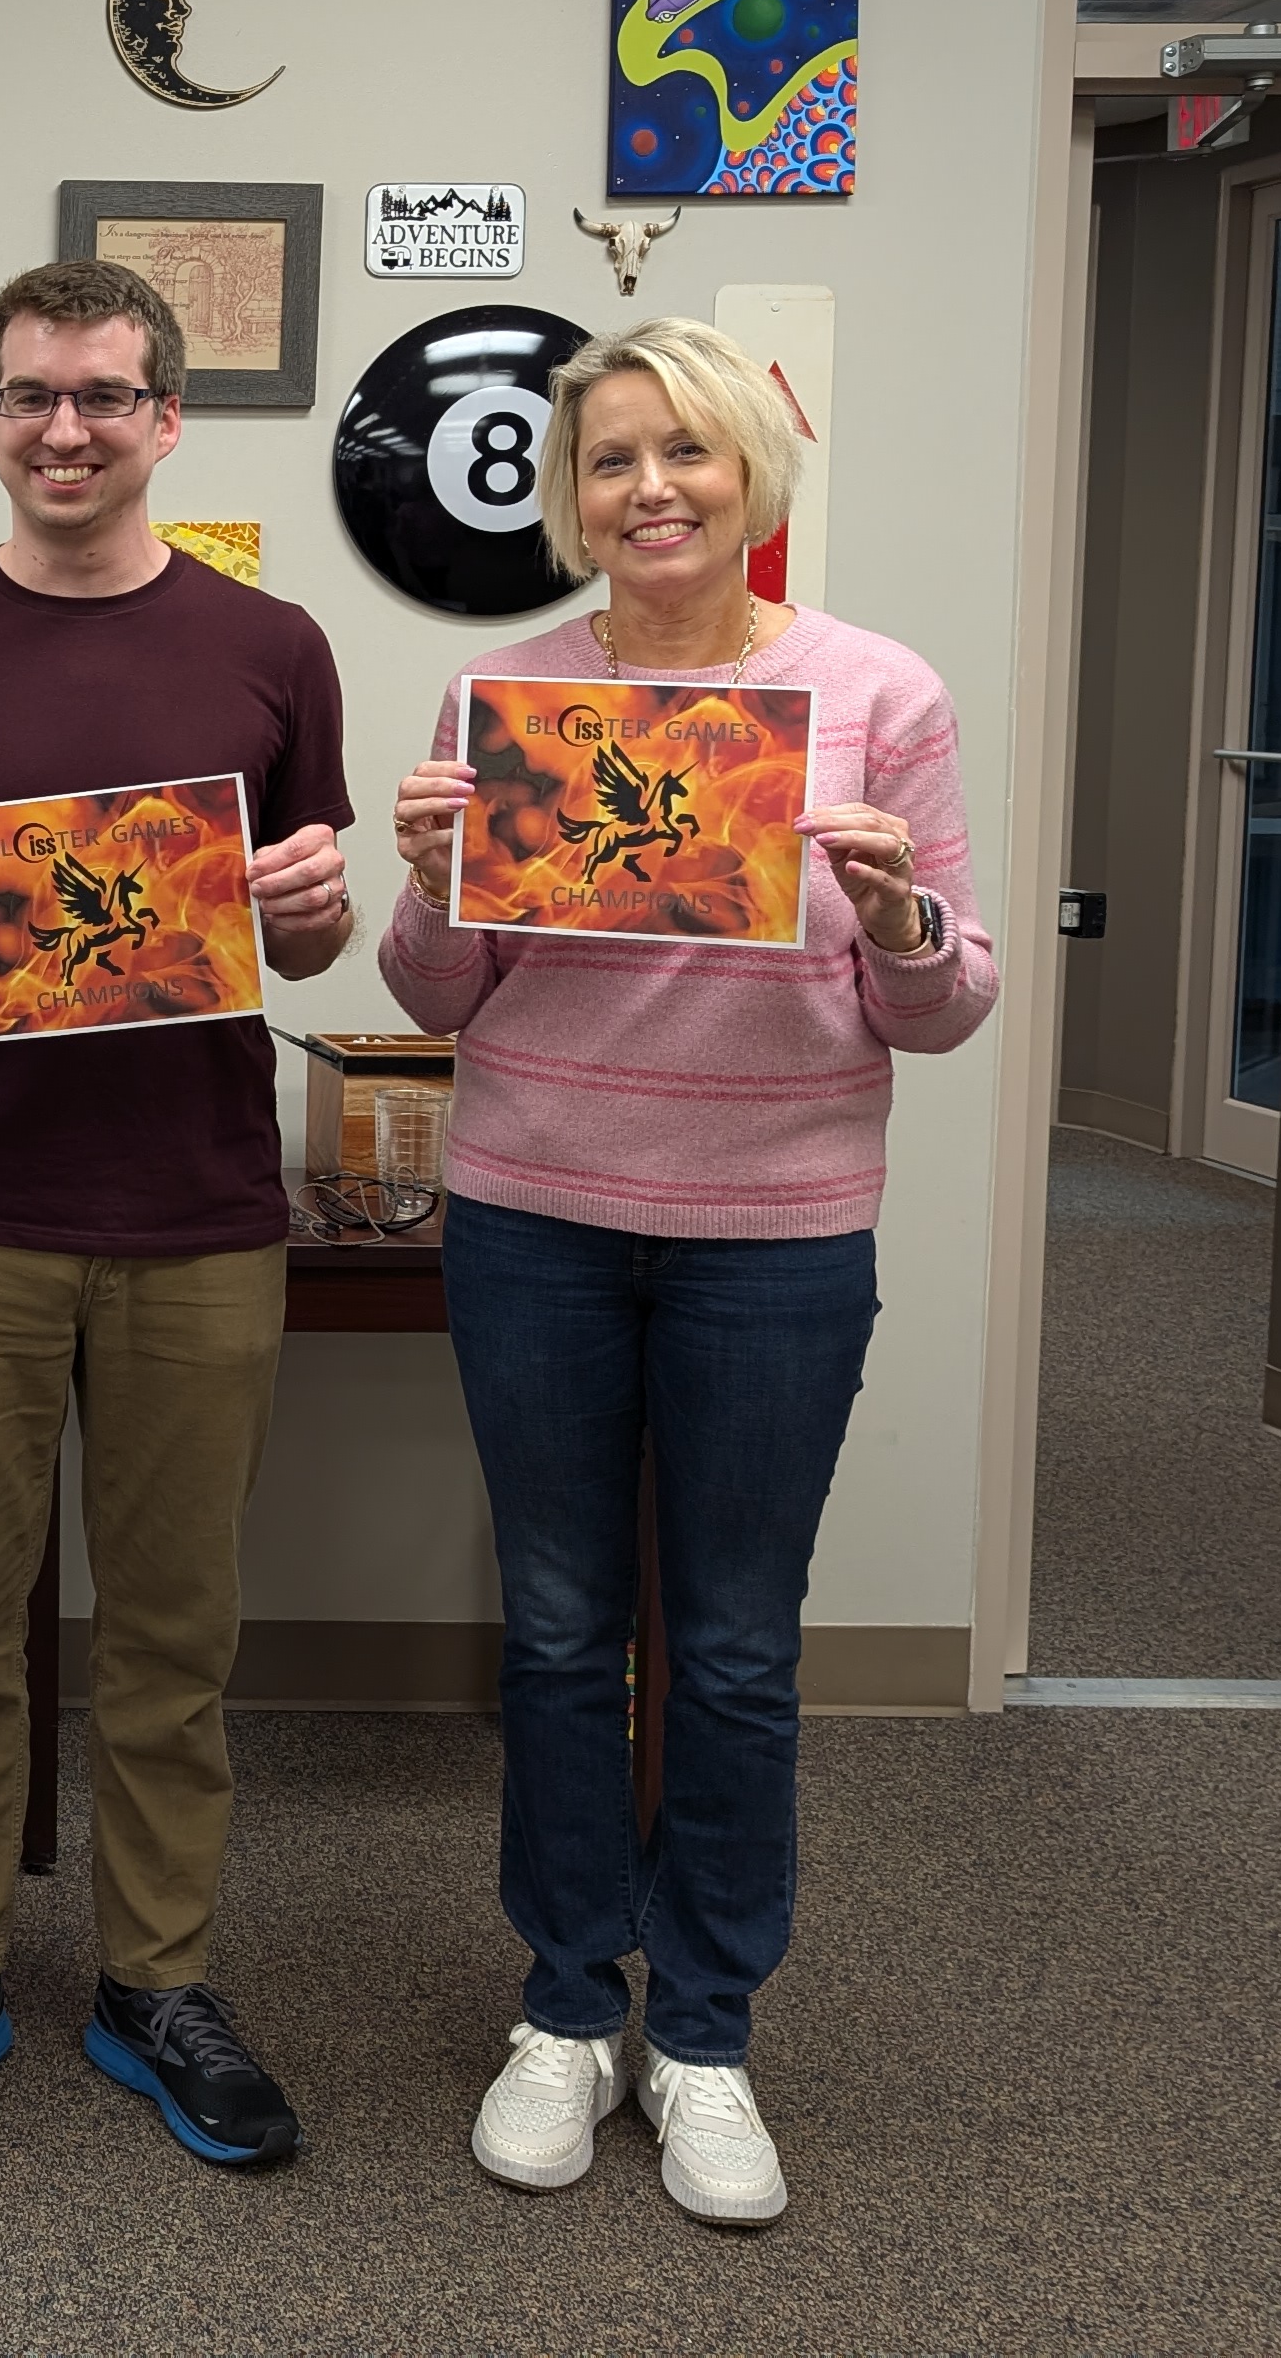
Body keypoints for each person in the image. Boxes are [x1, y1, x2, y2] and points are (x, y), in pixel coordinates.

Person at [378, 315, 997, 2229]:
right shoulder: (507, 693)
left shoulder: (876, 694)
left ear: (751, 475)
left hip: (778, 1237)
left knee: (732, 1647)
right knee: (560, 1634)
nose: (651, 489)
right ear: (570, 499)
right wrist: (433, 879)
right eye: (613, 460)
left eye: (686, 453)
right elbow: (433, 996)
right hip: (537, 1216)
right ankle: (569, 2007)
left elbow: (949, 1004)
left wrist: (900, 917)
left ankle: (707, 2033)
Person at [0, 260, 360, 2168]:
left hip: (201, 1212)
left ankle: (155, 1980)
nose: (67, 428)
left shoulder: (273, 646)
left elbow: (311, 924)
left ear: (166, 420)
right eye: (32, 394)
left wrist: (314, 912)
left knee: (173, 1639)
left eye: (106, 395)